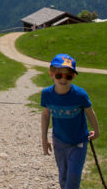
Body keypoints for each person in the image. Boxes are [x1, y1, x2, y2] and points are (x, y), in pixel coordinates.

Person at [41, 53, 100, 189]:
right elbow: (45, 115)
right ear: (51, 74)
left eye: (68, 76)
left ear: (73, 76)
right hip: (59, 141)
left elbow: (90, 112)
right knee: (63, 175)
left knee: (73, 176)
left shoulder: (80, 95)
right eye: (59, 75)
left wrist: (96, 131)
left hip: (78, 141)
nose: (63, 79)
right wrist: (44, 139)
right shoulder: (47, 94)